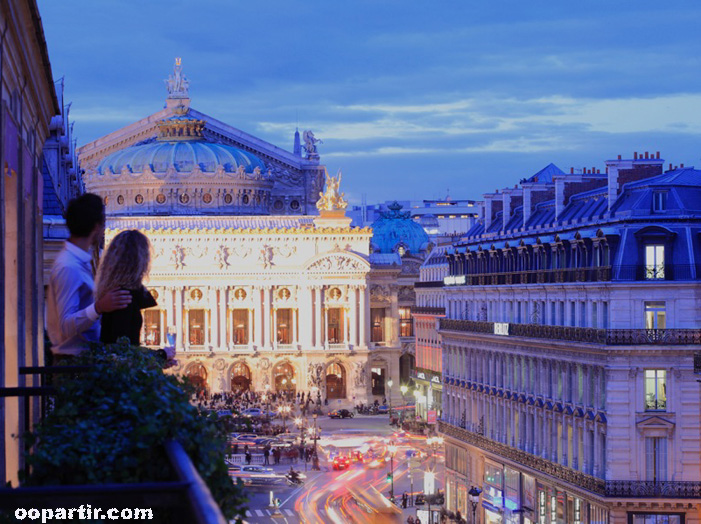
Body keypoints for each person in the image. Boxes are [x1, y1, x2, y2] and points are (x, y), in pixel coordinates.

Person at [47, 194, 132, 360]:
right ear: (96, 227)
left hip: (80, 360)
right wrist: (99, 307)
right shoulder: (69, 267)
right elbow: (65, 326)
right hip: (74, 366)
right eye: (103, 224)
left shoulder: (78, 263)